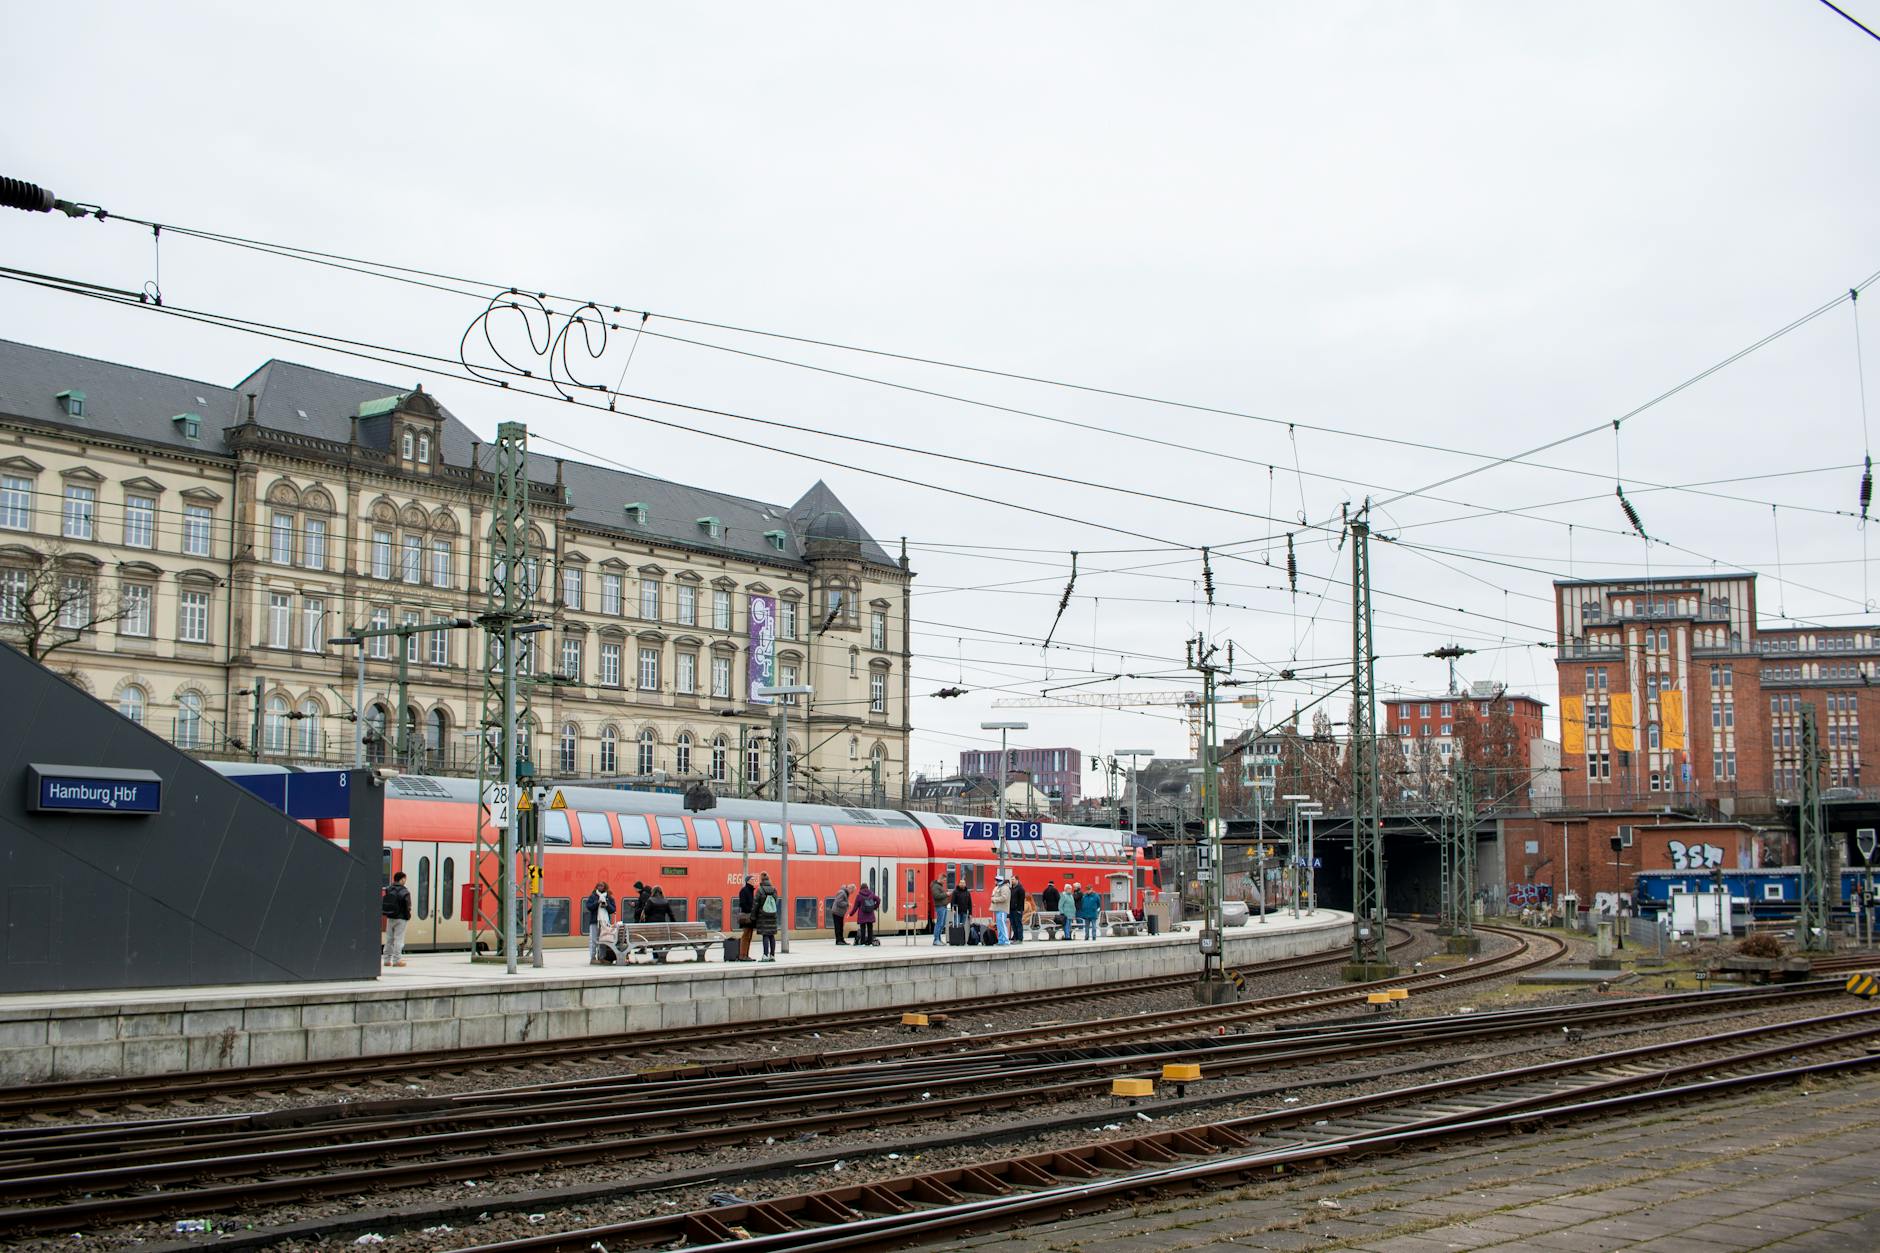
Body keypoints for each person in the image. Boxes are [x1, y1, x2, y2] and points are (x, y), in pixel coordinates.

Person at [381, 871, 412, 967]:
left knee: (389, 939)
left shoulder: (389, 889)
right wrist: (408, 916)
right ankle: (397, 960)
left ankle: (386, 960)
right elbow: (408, 906)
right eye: (405, 879)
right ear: (402, 879)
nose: (405, 881)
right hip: (401, 918)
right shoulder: (405, 891)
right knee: (399, 939)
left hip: (390, 917)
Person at [581, 880, 615, 963]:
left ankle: (602, 957)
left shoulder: (609, 897)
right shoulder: (593, 896)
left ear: (605, 887)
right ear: (596, 887)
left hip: (605, 922)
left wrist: (607, 905)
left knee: (603, 939)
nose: (600, 887)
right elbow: (589, 907)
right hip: (595, 921)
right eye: (598, 885)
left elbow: (613, 909)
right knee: (593, 940)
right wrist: (597, 902)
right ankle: (592, 958)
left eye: (602, 886)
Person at [754, 872, 781, 961]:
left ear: (761, 879)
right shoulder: (774, 889)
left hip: (763, 915)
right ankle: (772, 955)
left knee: (765, 935)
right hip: (772, 915)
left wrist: (753, 915)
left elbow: (756, 904)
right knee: (772, 936)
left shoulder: (760, 890)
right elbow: (775, 901)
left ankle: (765, 955)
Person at [736, 875, 757, 961]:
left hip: (750, 916)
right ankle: (742, 955)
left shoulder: (751, 890)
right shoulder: (744, 890)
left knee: (749, 936)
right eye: (752, 879)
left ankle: (746, 955)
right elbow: (742, 903)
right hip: (747, 916)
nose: (754, 880)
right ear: (748, 881)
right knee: (745, 936)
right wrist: (750, 910)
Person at [853, 882, 880, 946]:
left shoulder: (859, 896)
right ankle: (870, 942)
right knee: (870, 929)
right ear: (867, 887)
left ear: (861, 888)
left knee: (863, 929)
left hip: (862, 915)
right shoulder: (872, 894)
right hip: (870, 914)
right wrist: (875, 907)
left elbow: (855, 907)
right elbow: (878, 899)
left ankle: (863, 943)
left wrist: (851, 914)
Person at [950, 879, 973, 944]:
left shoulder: (967, 892)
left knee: (962, 925)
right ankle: (956, 939)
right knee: (956, 924)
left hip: (964, 912)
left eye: (963, 883)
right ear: (959, 884)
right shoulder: (955, 892)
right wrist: (953, 909)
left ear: (965, 884)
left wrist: (970, 913)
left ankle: (961, 939)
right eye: (961, 883)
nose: (962, 884)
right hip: (957, 911)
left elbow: (970, 903)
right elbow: (952, 901)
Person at [990, 876, 1012, 945]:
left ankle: (1006, 940)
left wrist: (994, 899)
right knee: (999, 926)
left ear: (998, 881)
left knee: (1002, 924)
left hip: (1002, 909)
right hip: (999, 909)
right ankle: (1001, 940)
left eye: (996, 880)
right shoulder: (999, 887)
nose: (995, 882)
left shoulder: (1004, 888)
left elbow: (1004, 898)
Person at [930, 876, 950, 946]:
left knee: (942, 924)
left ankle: (939, 939)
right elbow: (936, 896)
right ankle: (936, 940)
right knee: (939, 923)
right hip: (940, 907)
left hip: (943, 906)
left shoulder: (939, 886)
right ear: (940, 879)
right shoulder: (935, 886)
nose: (945, 882)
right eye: (944, 880)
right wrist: (946, 894)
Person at [1008, 877, 1027, 944]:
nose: (1012, 881)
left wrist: (1020, 909)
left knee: (1018, 924)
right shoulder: (1012, 889)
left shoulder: (1020, 889)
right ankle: (1015, 938)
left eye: (1013, 879)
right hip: (1012, 909)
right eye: (1011, 880)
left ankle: (1020, 938)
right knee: (1013, 924)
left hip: (1017, 910)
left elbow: (1022, 900)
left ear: (1017, 880)